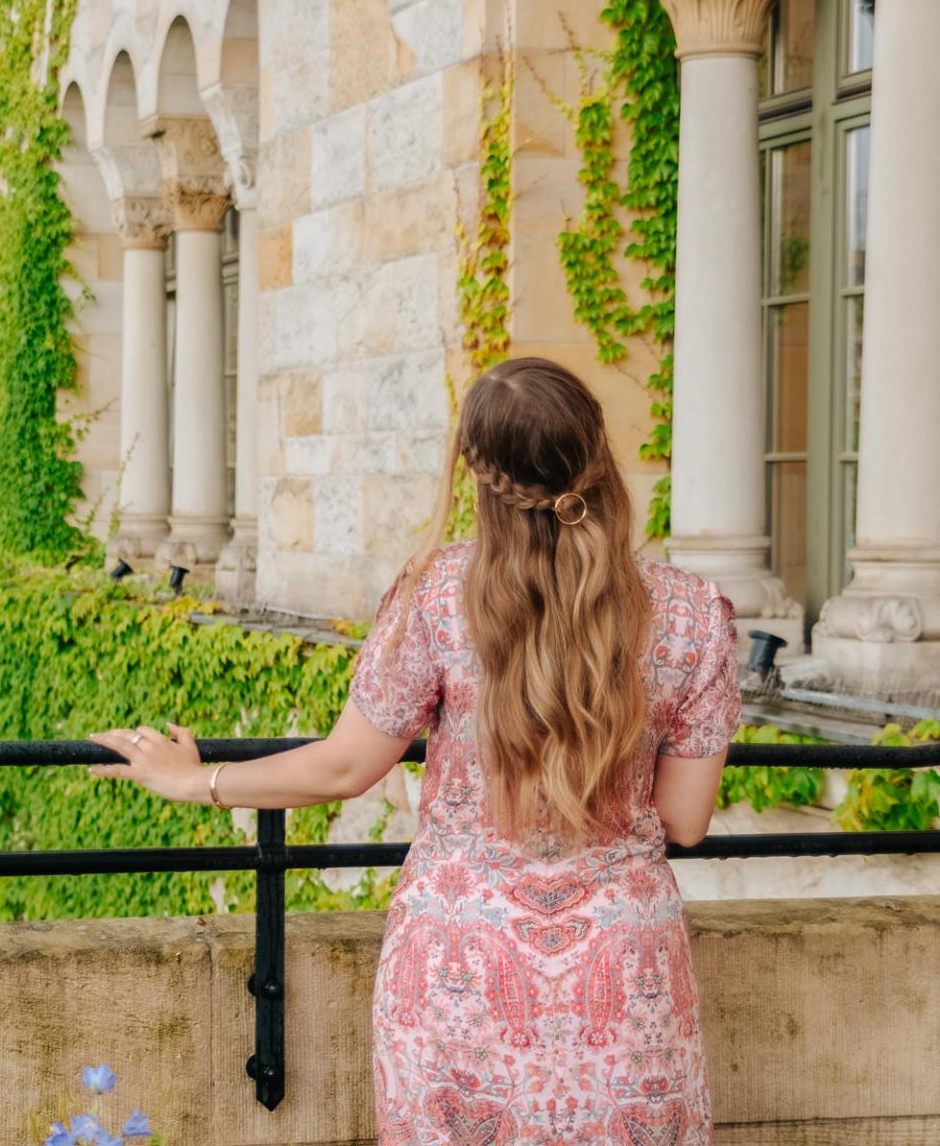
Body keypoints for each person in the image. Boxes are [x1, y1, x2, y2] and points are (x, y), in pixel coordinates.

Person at [88, 355, 742, 1144]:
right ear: (597, 452)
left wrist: (199, 779)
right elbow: (686, 819)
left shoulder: (436, 595)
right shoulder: (695, 614)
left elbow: (345, 765)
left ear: (475, 472)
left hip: (458, 969)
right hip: (624, 978)